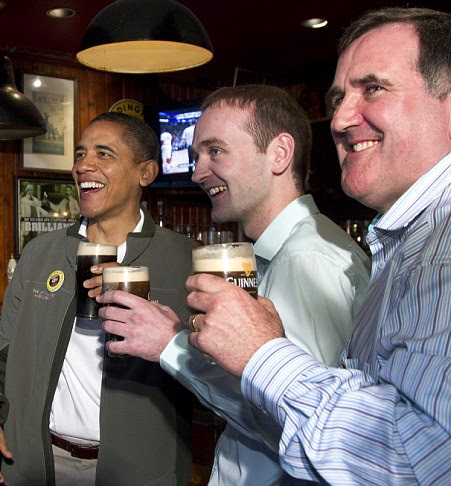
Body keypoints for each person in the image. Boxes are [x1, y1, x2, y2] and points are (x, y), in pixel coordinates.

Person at [183, 7, 451, 485]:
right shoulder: (434, 236)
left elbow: (427, 466)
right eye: (338, 97)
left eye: (373, 88)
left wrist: (261, 353)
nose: (340, 118)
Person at [100, 85, 370, 485]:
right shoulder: (282, 253)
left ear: (279, 154)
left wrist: (169, 346)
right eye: (196, 156)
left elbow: (301, 426)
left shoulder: (306, 260)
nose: (196, 172)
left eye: (215, 151)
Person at [0, 112, 197, 485]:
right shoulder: (41, 253)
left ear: (146, 173)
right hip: (40, 463)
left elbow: (214, 370)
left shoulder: (184, 259)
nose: (83, 165)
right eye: (80, 153)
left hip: (136, 471)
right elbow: (1, 344)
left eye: (103, 154)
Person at [20, 183, 49, 247]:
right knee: (27, 240)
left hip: (35, 223)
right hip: (27, 223)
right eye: (30, 190)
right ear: (27, 190)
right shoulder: (24, 200)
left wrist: (47, 214)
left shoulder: (35, 199)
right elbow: (32, 204)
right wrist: (41, 202)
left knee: (34, 239)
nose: (32, 191)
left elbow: (39, 208)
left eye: (32, 190)